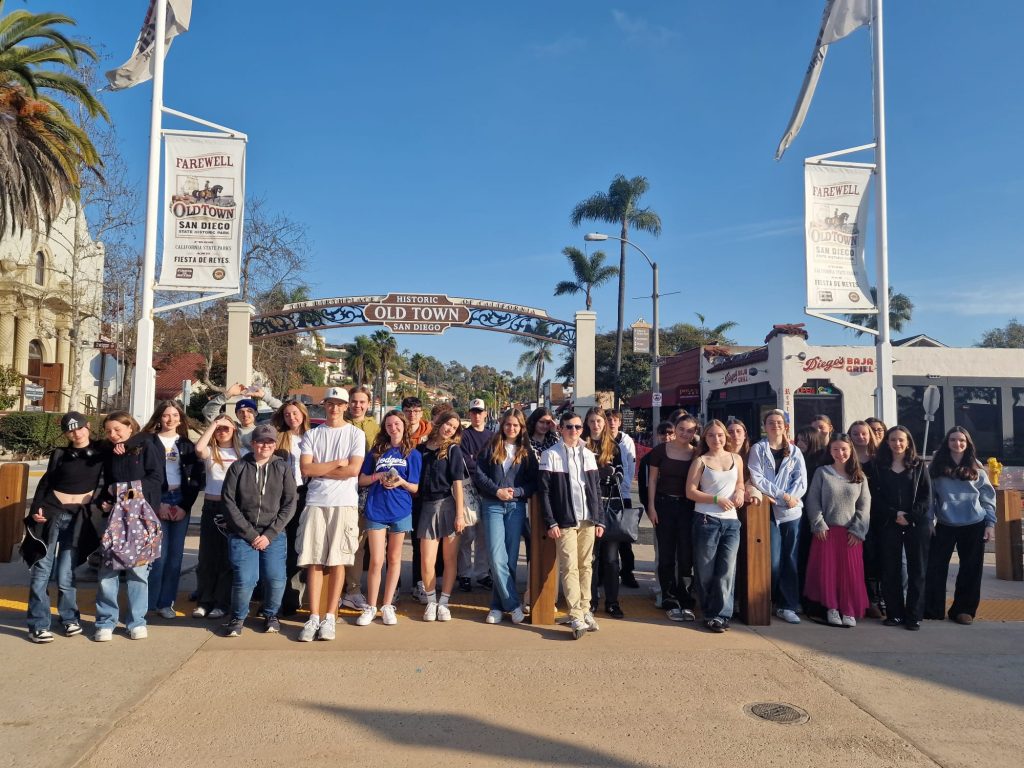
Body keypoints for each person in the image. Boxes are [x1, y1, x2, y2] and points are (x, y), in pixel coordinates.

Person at [22, 412, 103, 643]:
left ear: (88, 427)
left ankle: (69, 618)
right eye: (69, 429)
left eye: (79, 427)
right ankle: (38, 624)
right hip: (52, 515)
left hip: (79, 519)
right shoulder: (59, 454)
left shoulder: (101, 452)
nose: (76, 433)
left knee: (66, 573)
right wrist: (36, 510)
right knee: (41, 570)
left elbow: (130, 439)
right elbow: (45, 484)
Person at [296, 387, 365, 641]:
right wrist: (337, 463)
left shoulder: (355, 435)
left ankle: (329, 618)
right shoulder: (312, 434)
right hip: (316, 502)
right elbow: (306, 468)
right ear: (324, 405)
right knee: (314, 560)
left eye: (339, 404)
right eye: (330, 403)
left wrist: (320, 468)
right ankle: (314, 617)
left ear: (346, 407)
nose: (334, 408)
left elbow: (353, 471)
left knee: (338, 561)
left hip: (344, 503)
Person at [221, 424, 297, 636]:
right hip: (243, 534)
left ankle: (271, 614)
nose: (265, 445)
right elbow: (228, 502)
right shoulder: (238, 467)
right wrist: (251, 534)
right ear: (253, 443)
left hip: (273, 534)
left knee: (275, 578)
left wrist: (270, 534)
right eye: (261, 441)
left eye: (270, 442)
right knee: (246, 579)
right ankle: (237, 617)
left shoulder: (282, 468)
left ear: (275, 445)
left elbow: (290, 503)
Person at [93, 412, 163, 641]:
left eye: (117, 429)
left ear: (130, 427)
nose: (113, 435)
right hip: (113, 519)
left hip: (140, 520)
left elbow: (156, 478)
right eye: (108, 431)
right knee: (108, 570)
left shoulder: (144, 446)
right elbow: (103, 484)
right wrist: (104, 500)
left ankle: (137, 622)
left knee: (138, 571)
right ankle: (105, 621)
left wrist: (126, 490)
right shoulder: (108, 452)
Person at [539, 410, 605, 639]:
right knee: (569, 567)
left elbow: (596, 489)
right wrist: (551, 521)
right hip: (565, 521)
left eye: (578, 427)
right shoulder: (551, 455)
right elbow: (545, 493)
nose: (574, 431)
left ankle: (585, 610)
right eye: (569, 427)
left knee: (586, 565)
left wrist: (600, 519)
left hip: (587, 519)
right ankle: (576, 614)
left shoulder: (588, 454)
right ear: (560, 429)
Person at [924, 426, 996, 625]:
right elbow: (930, 498)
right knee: (935, 567)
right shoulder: (936, 468)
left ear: (968, 443)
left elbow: (988, 498)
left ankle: (964, 610)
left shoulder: (977, 468)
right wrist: (929, 520)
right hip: (945, 524)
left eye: (961, 440)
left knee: (971, 569)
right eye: (953, 440)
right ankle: (932, 608)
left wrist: (990, 524)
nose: (958, 443)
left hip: (974, 524)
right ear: (947, 443)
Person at [357, 410, 421, 626]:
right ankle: (370, 606)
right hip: (376, 509)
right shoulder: (376, 452)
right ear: (385, 428)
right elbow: (362, 480)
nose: (393, 428)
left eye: (397, 424)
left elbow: (415, 487)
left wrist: (400, 481)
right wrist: (379, 476)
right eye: (389, 425)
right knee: (376, 560)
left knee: (394, 560)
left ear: (403, 426)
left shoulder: (412, 453)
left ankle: (387, 605)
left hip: (401, 510)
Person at [475, 408, 539, 624]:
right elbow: (479, 474)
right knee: (495, 557)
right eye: (508, 424)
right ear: (502, 425)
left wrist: (517, 492)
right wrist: (496, 491)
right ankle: (512, 604)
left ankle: (496, 607)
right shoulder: (492, 446)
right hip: (492, 505)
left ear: (521, 428)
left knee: (509, 560)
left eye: (516, 425)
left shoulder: (527, 452)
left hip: (515, 507)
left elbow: (533, 483)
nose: (511, 428)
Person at [142, 400, 203, 619]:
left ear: (181, 418)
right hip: (157, 501)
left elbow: (197, 478)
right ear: (159, 418)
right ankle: (150, 603)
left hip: (180, 500)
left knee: (175, 557)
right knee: (158, 556)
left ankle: (166, 603)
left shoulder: (186, 444)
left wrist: (184, 506)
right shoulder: (147, 442)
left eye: (175, 415)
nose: (171, 419)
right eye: (166, 415)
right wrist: (157, 504)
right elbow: (142, 476)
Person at [803, 433, 871, 627]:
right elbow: (813, 500)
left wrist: (858, 530)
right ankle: (831, 608)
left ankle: (848, 609)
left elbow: (864, 505)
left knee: (850, 574)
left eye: (844, 449)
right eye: (835, 449)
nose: (840, 453)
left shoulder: (859, 476)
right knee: (828, 573)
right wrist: (818, 524)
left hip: (850, 535)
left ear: (850, 451)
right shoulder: (822, 472)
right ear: (830, 451)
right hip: (826, 533)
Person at [748, 409, 808, 625]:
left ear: (786, 426)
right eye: (771, 422)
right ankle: (768, 599)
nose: (775, 426)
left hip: (792, 511)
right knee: (772, 560)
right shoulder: (758, 449)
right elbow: (757, 477)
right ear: (765, 426)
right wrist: (781, 495)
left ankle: (787, 605)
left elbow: (800, 480)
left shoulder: (794, 452)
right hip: (768, 510)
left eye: (779, 422)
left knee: (790, 559)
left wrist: (790, 497)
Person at [686, 420, 745, 632]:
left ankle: (721, 615)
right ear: (705, 438)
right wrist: (715, 499)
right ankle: (709, 612)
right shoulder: (700, 461)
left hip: (731, 522)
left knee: (727, 570)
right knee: (705, 570)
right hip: (706, 520)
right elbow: (690, 491)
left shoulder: (736, 459)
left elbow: (739, 483)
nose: (716, 439)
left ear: (725, 437)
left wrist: (740, 491)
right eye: (711, 435)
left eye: (720, 435)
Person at [873, 426, 931, 630]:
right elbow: (875, 497)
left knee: (917, 570)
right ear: (887, 442)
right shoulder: (879, 466)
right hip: (890, 523)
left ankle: (914, 615)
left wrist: (911, 516)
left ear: (908, 442)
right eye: (893, 440)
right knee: (891, 570)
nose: (897, 444)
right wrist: (894, 514)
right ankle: (894, 613)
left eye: (901, 440)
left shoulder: (918, 466)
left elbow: (926, 496)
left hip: (916, 524)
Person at [647, 414, 700, 620]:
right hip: (664, 505)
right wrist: (652, 507)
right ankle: (669, 598)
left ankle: (685, 599)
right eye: (681, 429)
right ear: (675, 428)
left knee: (686, 555)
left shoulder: (697, 454)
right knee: (667, 555)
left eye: (690, 430)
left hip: (688, 508)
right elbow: (652, 480)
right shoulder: (660, 451)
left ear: (695, 432)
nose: (685, 433)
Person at [416, 411, 468, 622]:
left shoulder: (453, 450)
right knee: (427, 561)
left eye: (454, 427)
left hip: (449, 506)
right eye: (448, 424)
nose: (449, 429)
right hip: (427, 508)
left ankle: (444, 602)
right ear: (439, 423)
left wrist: (460, 515)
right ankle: (431, 601)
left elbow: (458, 484)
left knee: (449, 559)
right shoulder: (421, 449)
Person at [193, 414, 242, 620]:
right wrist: (214, 424)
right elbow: (198, 448)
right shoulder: (211, 451)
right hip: (211, 507)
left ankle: (222, 603)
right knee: (207, 557)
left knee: (226, 558)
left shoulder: (243, 454)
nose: (222, 432)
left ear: (234, 431)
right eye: (219, 429)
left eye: (226, 428)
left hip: (231, 508)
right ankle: (205, 601)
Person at [583, 407, 625, 619]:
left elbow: (620, 473)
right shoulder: (582, 445)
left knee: (611, 559)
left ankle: (612, 602)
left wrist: (610, 475)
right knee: (591, 558)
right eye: (592, 421)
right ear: (587, 423)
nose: (596, 425)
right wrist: (601, 474)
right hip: (588, 509)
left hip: (610, 507)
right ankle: (590, 601)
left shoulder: (614, 447)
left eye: (599, 421)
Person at [271, 400, 311, 616]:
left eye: (295, 413)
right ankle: (275, 598)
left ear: (303, 414)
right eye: (287, 414)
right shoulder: (278, 437)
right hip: (281, 497)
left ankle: (292, 598)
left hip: (304, 494)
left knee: (298, 548)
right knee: (279, 548)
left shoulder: (312, 437)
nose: (292, 418)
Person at [340, 385, 378, 612]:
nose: (358, 405)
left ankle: (353, 590)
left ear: (368, 404)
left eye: (362, 402)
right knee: (338, 541)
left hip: (366, 492)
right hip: (339, 487)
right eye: (354, 401)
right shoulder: (339, 425)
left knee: (359, 544)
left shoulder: (376, 428)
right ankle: (336, 589)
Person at [456, 398, 494, 593]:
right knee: (467, 536)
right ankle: (464, 574)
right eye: (473, 412)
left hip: (487, 491)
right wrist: (480, 464)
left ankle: (482, 573)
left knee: (483, 536)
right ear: (469, 414)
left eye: (480, 412)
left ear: (485, 413)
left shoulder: (492, 436)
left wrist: (477, 461)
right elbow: (465, 462)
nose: (477, 415)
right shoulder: (464, 435)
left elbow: (494, 461)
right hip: (469, 488)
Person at [849, 419, 883, 618]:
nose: (860, 437)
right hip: (850, 515)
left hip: (877, 515)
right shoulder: (846, 457)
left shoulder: (879, 459)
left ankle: (874, 600)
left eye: (864, 433)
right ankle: (856, 599)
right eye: (855, 434)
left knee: (873, 558)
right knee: (855, 560)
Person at [607, 409, 639, 589]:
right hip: (605, 494)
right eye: (609, 419)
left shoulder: (626, 441)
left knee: (624, 535)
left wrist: (624, 486)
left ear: (619, 422)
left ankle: (627, 572)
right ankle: (604, 574)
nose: (612, 422)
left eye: (615, 420)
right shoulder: (601, 439)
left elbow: (630, 464)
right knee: (606, 537)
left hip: (623, 494)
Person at [202, 382, 282, 451]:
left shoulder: (265, 427)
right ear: (236, 415)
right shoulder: (232, 428)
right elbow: (208, 412)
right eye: (241, 412)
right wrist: (227, 394)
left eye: (249, 411)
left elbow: (283, 412)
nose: (245, 414)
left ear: (256, 413)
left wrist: (264, 396)